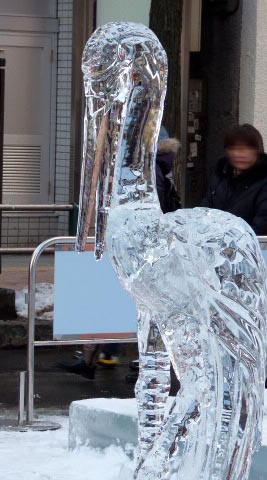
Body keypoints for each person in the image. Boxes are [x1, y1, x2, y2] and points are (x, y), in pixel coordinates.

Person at [60, 128, 182, 381]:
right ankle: (99, 356)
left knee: (140, 305)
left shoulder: (148, 171)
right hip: (132, 246)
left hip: (140, 250)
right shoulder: (150, 168)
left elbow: (145, 211)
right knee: (117, 301)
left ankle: (138, 362)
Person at [201, 123, 267, 389]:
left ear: (258, 152)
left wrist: (233, 243)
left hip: (248, 265)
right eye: (234, 148)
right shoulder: (221, 178)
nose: (240, 154)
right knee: (223, 322)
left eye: (247, 149)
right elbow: (206, 212)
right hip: (218, 264)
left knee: (246, 322)